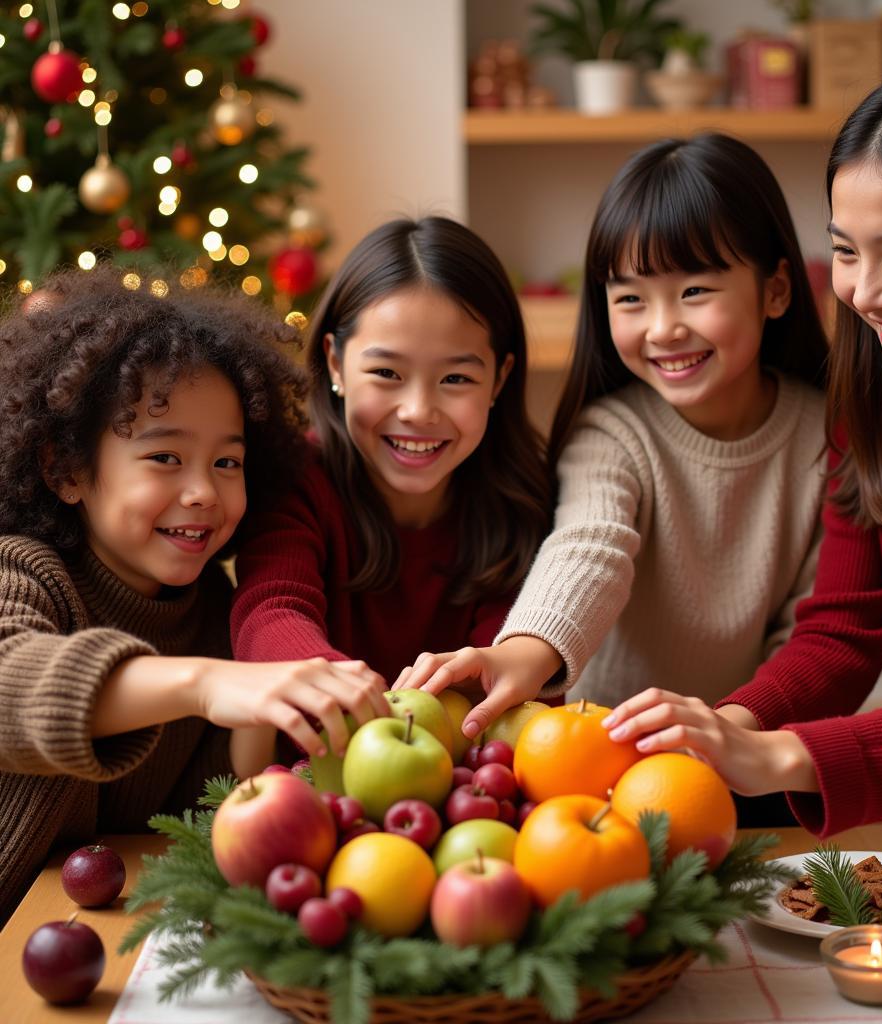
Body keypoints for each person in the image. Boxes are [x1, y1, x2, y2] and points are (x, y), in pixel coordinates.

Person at [602, 60, 882, 911]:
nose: (867, 293)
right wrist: (730, 729)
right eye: (843, 250)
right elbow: (841, 630)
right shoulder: (881, 396)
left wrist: (779, 758)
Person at [396, 135, 830, 822]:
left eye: (694, 291)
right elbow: (591, 546)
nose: (663, 328)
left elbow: (813, 630)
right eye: (630, 299)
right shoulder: (613, 431)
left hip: (740, 780)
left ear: (775, 290)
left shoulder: (826, 440)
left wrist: (729, 733)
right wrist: (524, 651)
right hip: (590, 776)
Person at [0, 265, 394, 923]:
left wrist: (257, 720)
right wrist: (207, 684)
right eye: (164, 458)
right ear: (65, 468)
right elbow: (12, 681)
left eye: (227, 462)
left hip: (100, 939)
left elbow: (209, 811)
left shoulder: (211, 608)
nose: (204, 492)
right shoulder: (23, 573)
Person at [229, 216, 551, 759]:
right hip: (316, 792)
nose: (418, 411)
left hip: (464, 792)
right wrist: (357, 699)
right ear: (335, 362)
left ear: (499, 378)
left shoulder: (520, 499)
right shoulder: (298, 476)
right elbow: (269, 611)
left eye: (456, 379)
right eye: (387, 374)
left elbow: (507, 667)